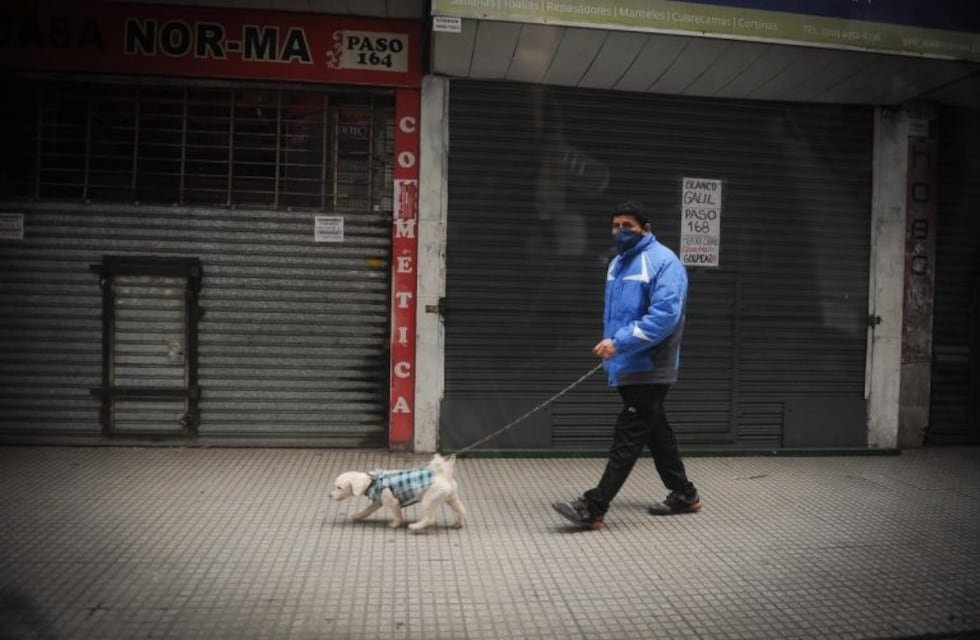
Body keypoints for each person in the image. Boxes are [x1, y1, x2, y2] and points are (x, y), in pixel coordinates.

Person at [553, 200, 701, 529]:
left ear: (645, 229)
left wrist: (619, 342)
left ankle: (594, 507)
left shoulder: (664, 262)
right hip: (627, 362)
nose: (620, 231)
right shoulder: (618, 262)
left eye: (628, 226)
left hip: (649, 364)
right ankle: (685, 494)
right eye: (616, 225)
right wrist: (617, 348)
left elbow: (664, 316)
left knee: (629, 435)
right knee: (655, 430)